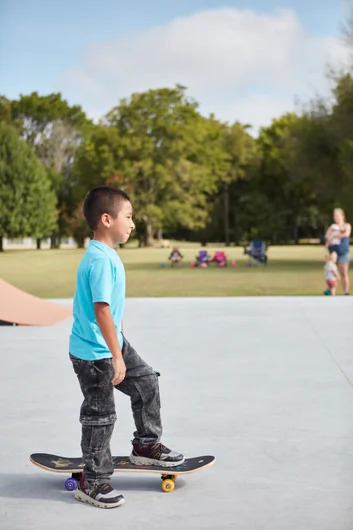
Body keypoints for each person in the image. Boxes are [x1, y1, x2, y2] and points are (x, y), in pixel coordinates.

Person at [69, 186, 184, 509]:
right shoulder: (99, 259)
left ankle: (146, 446)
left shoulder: (106, 254)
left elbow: (110, 311)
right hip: (94, 354)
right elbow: (101, 309)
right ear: (107, 219)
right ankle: (93, 481)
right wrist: (116, 355)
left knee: (146, 381)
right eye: (128, 217)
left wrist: (119, 341)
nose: (133, 223)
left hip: (111, 343)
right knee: (101, 414)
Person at [325, 208, 351, 295]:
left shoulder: (346, 226)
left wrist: (337, 234)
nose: (336, 218)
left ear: (342, 216)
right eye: (335, 216)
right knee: (331, 271)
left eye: (338, 216)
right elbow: (327, 235)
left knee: (343, 273)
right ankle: (331, 292)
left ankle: (346, 292)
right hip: (333, 252)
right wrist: (329, 239)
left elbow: (346, 234)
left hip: (342, 252)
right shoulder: (332, 227)